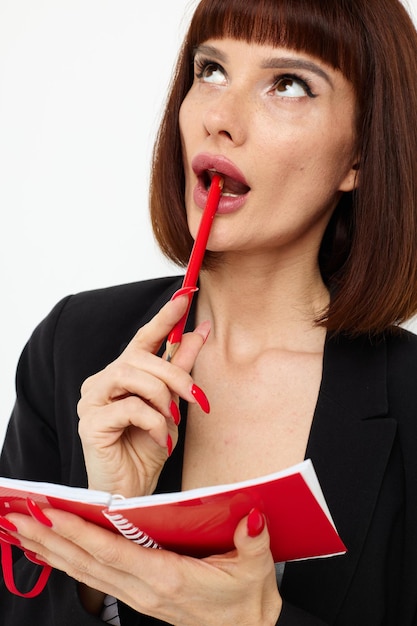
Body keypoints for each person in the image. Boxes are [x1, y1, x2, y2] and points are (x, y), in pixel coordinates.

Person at [1, 0, 417, 623]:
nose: (219, 118)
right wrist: (101, 535)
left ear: (359, 156)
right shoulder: (73, 346)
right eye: (211, 69)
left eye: (289, 84)